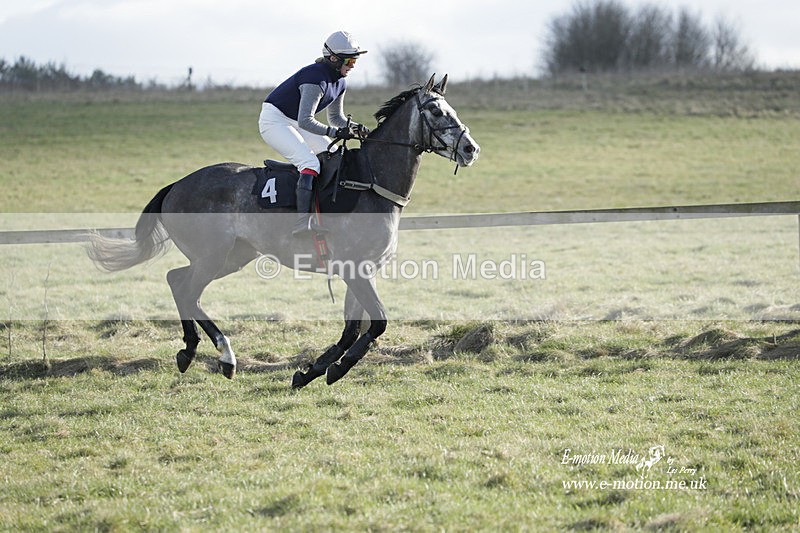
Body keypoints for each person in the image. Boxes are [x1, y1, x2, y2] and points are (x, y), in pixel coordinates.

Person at [259, 31, 368, 236]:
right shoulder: (315, 78)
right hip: (274, 121)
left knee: (336, 155)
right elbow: (306, 120)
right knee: (310, 163)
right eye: (350, 61)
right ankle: (302, 223)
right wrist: (336, 132)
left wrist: (355, 128)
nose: (352, 66)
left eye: (355, 61)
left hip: (295, 121)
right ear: (334, 59)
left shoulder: (340, 81)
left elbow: (336, 118)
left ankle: (326, 210)